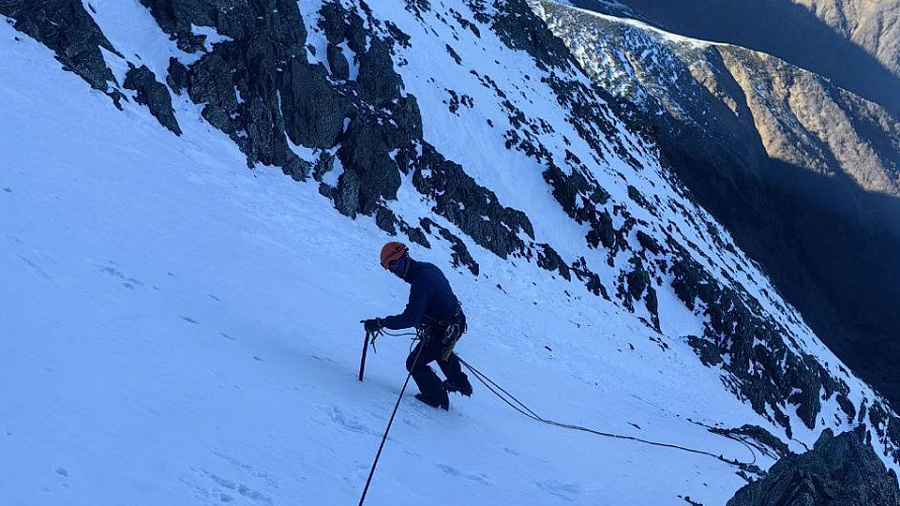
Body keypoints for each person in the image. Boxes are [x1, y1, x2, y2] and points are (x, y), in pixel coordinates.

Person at [364, 242, 473, 410]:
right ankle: (459, 382)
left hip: (444, 328)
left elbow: (410, 319)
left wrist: (381, 323)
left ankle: (436, 396)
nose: (396, 271)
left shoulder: (421, 283)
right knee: (440, 351)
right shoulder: (428, 268)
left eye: (396, 265)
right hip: (453, 323)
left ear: (405, 258)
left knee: (414, 363)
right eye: (393, 268)